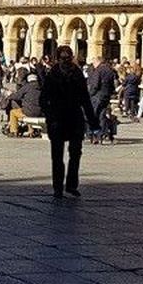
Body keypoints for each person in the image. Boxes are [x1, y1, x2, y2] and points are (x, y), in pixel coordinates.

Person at [39, 46, 99, 198]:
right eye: (63, 58)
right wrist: (49, 115)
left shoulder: (77, 74)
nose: (66, 60)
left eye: (68, 57)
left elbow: (85, 99)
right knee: (57, 156)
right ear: (58, 58)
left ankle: (71, 185)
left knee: (75, 154)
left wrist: (92, 121)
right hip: (57, 119)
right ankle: (58, 187)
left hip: (74, 118)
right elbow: (43, 98)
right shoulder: (52, 75)